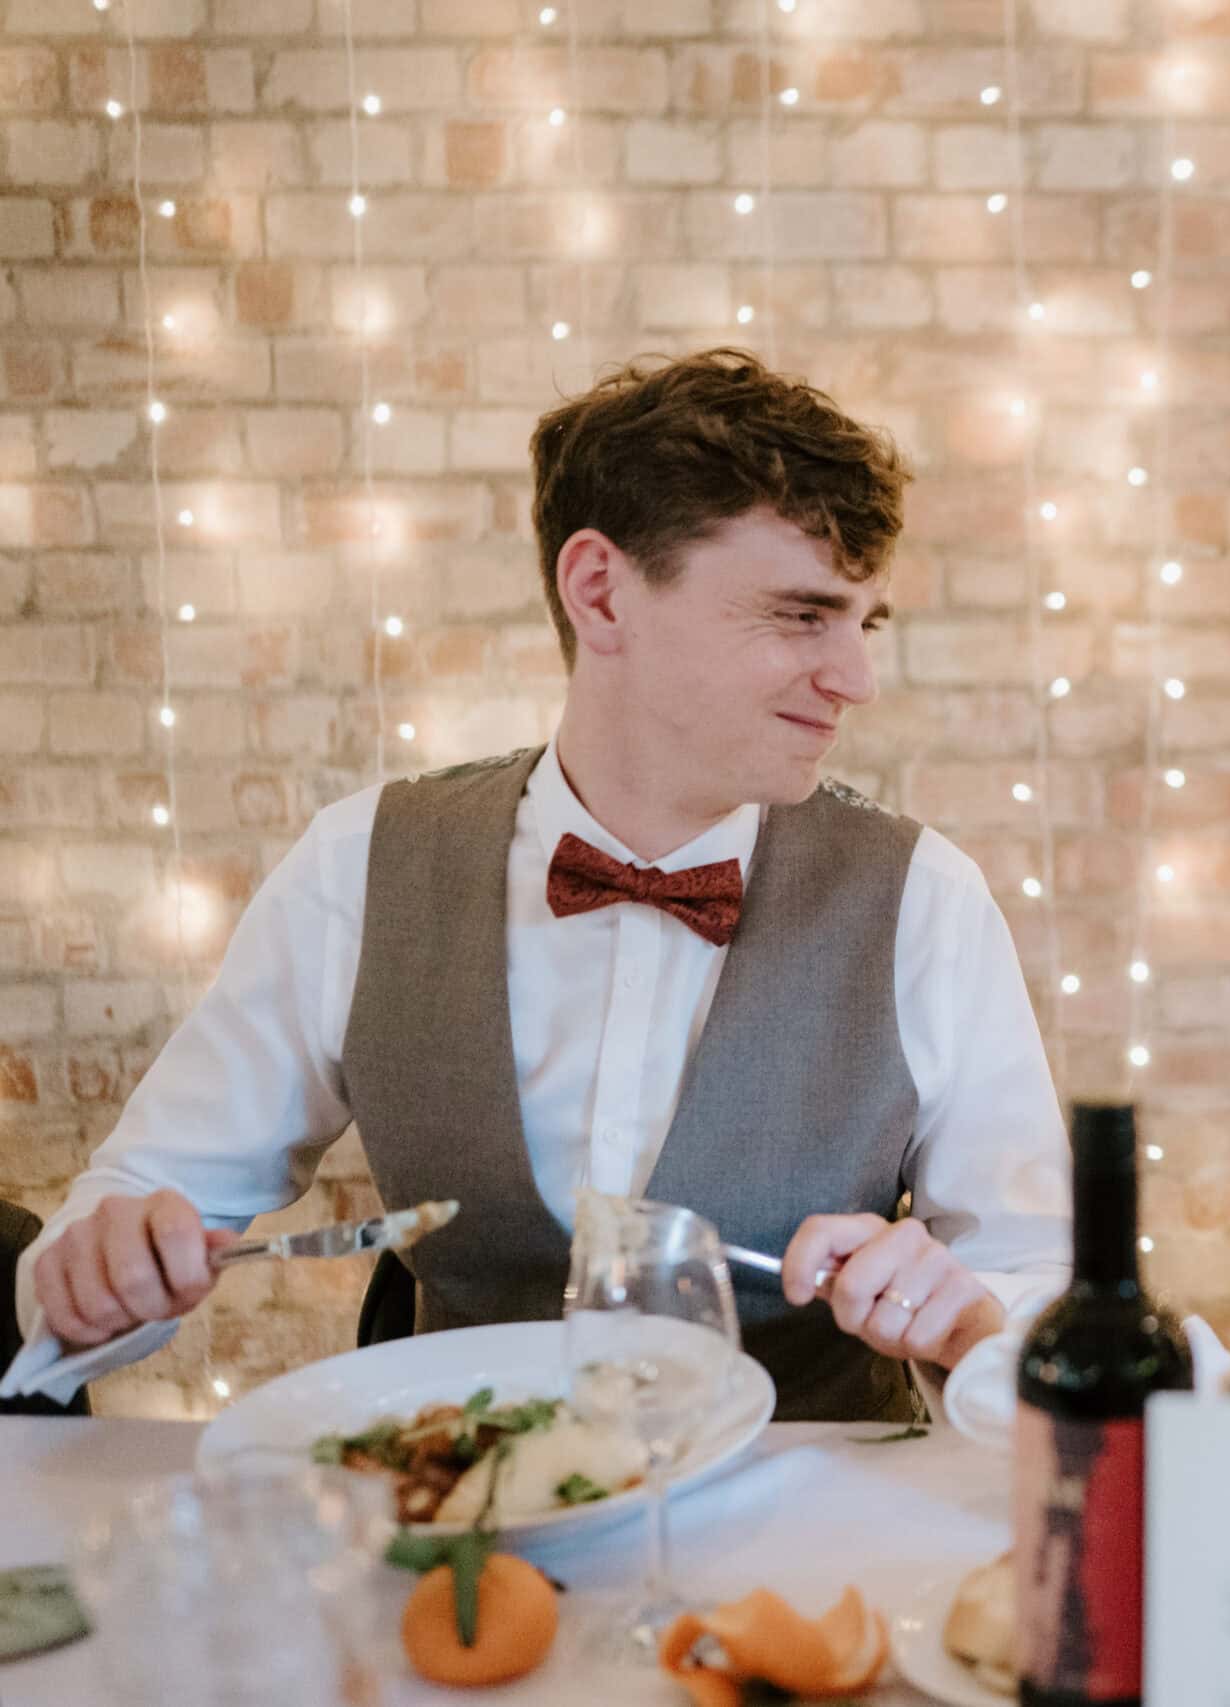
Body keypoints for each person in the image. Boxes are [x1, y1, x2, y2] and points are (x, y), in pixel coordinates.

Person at [3, 349, 1069, 1422]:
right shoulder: (357, 866)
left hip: (805, 1554)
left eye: (862, 623)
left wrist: (969, 1315)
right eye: (802, 616)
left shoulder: (925, 897)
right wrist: (103, 1272)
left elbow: (1038, 1288)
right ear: (601, 592)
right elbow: (141, 1198)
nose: (857, 678)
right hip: (463, 1537)